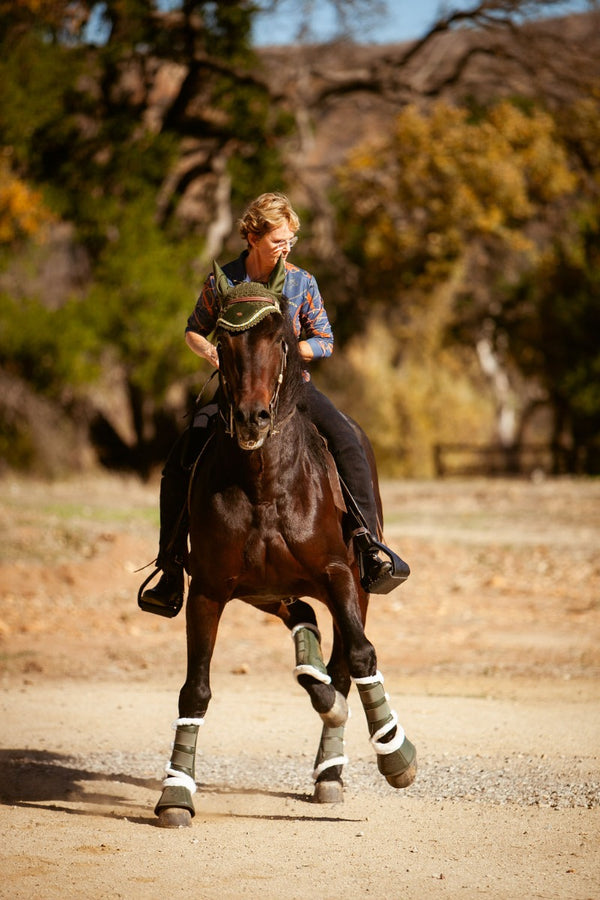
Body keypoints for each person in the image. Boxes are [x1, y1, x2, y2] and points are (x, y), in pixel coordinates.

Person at [139, 192, 409, 616]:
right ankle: (170, 566)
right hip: (233, 391)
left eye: (290, 241)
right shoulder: (222, 282)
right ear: (252, 236)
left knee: (348, 441)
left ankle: (370, 546)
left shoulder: (302, 282)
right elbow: (194, 330)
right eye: (278, 240)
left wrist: (286, 350)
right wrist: (209, 352)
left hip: (293, 389)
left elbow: (325, 341)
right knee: (180, 458)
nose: (286, 248)